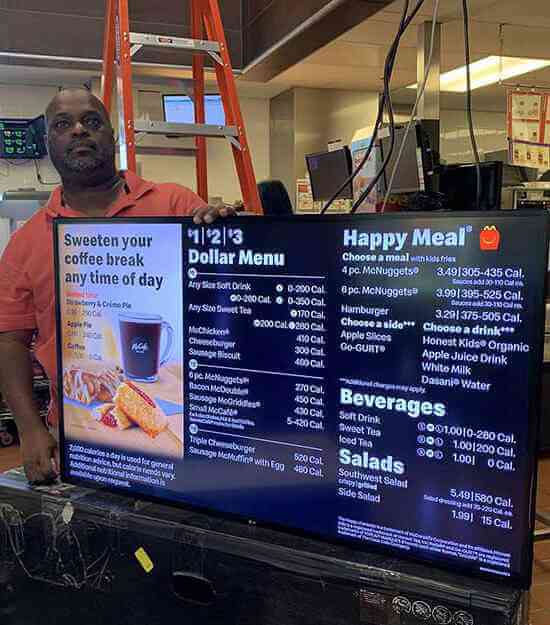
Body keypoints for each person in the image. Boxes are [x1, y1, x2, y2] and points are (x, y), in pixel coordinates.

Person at [0, 88, 235, 484]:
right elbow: (9, 340)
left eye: (91, 122)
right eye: (63, 125)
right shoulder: (25, 243)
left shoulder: (176, 206)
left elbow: (224, 295)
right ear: (48, 142)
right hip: (79, 434)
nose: (78, 131)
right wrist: (30, 428)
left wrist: (222, 237)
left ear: (111, 135)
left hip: (183, 428)